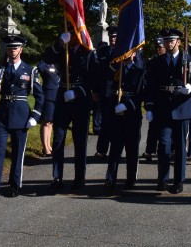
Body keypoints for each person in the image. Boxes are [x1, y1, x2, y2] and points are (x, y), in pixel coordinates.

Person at [0, 35, 44, 202]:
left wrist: (35, 115)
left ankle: (14, 184)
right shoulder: (1, 69)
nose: (12, 51)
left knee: (18, 153)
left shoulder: (29, 70)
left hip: (21, 114)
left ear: (21, 49)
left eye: (15, 48)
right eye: (9, 48)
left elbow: (40, 96)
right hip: (2, 114)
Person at [145, 28, 191, 194]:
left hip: (182, 108)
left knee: (180, 147)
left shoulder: (188, 60)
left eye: (172, 40)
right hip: (163, 108)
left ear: (178, 42)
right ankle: (162, 179)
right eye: (166, 40)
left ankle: (178, 181)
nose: (168, 43)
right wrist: (149, 106)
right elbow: (151, 87)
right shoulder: (157, 61)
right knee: (163, 145)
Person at [45, 31, 97, 191]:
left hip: (80, 100)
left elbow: (94, 79)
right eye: (70, 33)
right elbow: (47, 59)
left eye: (75, 33)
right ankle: (57, 176)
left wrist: (77, 92)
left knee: (80, 140)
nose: (72, 36)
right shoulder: (62, 49)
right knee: (58, 139)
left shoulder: (88, 53)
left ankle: (79, 178)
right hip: (62, 97)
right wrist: (59, 43)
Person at [104, 51, 146, 190]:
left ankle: (131, 178)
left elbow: (140, 95)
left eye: (129, 52)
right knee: (115, 147)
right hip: (116, 112)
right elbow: (109, 90)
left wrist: (127, 105)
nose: (126, 55)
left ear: (134, 54)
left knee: (131, 147)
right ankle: (111, 177)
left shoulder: (139, 72)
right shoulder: (115, 70)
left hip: (131, 113)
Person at [94, 26, 117, 159]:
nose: (113, 39)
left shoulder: (124, 51)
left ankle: (116, 149)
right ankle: (102, 150)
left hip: (119, 93)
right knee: (105, 122)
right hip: (105, 92)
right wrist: (95, 90)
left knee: (117, 123)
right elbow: (97, 73)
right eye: (111, 37)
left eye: (115, 36)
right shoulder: (102, 51)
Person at [142, 37, 166, 162]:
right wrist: (148, 104)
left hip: (166, 100)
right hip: (155, 100)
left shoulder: (168, 62)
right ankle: (150, 151)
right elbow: (148, 84)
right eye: (157, 48)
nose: (158, 50)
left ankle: (169, 150)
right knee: (153, 128)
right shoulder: (151, 63)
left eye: (160, 48)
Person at [36, 54, 60, 157]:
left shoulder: (58, 65)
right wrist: (47, 56)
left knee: (51, 122)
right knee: (46, 122)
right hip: (48, 97)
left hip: (57, 96)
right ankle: (45, 148)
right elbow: (39, 66)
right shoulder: (45, 65)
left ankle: (49, 145)